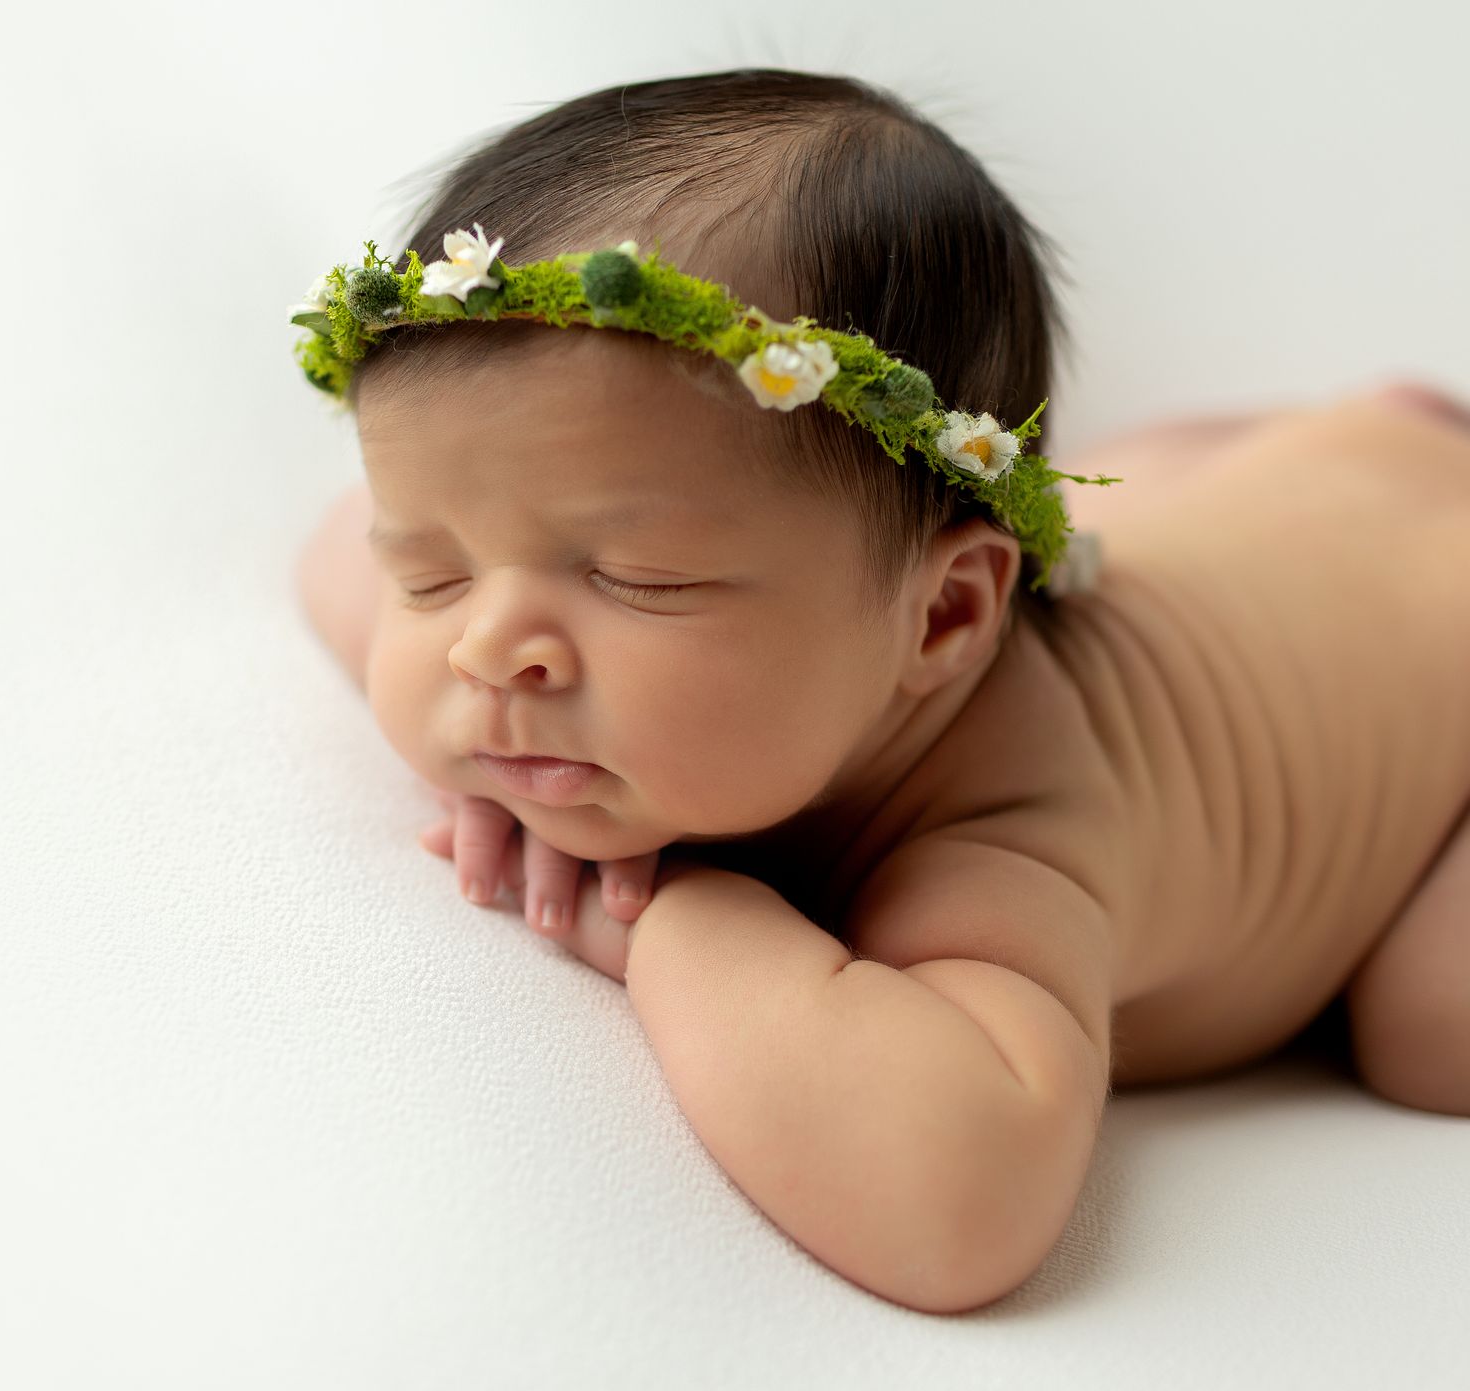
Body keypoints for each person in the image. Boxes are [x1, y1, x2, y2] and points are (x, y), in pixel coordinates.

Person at [289, 69, 1470, 1314]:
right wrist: (473, 753)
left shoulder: (1005, 830)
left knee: (1432, 1026)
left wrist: (678, 914)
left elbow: (959, 1200)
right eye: (431, 571)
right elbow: (331, 553)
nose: (486, 649)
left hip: (1429, 633)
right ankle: (1363, 436)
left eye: (635, 579)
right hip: (1297, 513)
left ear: (950, 615)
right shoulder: (681, 632)